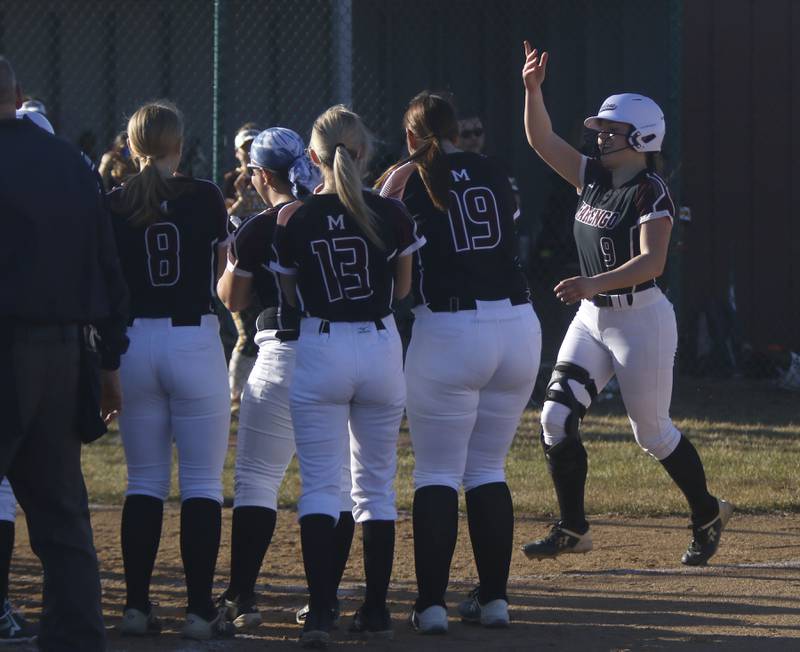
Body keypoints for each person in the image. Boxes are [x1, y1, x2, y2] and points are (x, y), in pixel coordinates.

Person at [519, 43, 732, 566]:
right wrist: (533, 91)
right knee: (553, 418)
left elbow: (652, 263)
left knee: (652, 433)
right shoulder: (592, 174)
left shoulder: (650, 190)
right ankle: (573, 528)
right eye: (600, 130)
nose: (599, 136)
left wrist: (592, 284)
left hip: (641, 320)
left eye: (610, 131)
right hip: (594, 317)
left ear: (642, 138)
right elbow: (541, 139)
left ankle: (707, 512)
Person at [378, 92, 542, 633]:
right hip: (518, 327)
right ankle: (494, 599)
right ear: (455, 130)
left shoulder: (405, 177)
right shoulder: (493, 168)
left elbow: (379, 230)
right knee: (487, 469)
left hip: (449, 329)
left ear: (410, 137)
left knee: (439, 473)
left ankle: (430, 607)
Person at [271, 105, 424, 648]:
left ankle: (319, 612)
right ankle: (378, 609)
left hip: (322, 344)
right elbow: (403, 292)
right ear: (364, 153)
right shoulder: (390, 212)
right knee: (376, 488)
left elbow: (289, 294)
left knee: (321, 486)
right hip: (381, 346)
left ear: (312, 158)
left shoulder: (294, 217)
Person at [0, 56, 129, 651]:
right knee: (62, 518)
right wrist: (108, 363)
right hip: (61, 352)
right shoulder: (70, 163)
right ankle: (77, 640)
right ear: (19, 94)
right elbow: (107, 268)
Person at [215, 127, 356, 631]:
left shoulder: (259, 225)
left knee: (257, 478)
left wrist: (233, 253)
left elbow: (232, 299)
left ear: (261, 174)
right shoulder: (338, 211)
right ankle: (326, 600)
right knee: (335, 483)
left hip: (280, 354)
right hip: (338, 352)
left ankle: (242, 596)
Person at [107, 101, 233, 640]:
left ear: (132, 147)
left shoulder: (113, 202)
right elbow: (226, 269)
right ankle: (200, 611)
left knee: (145, 483)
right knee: (201, 483)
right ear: (178, 145)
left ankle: (136, 607)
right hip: (192, 340)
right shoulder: (203, 195)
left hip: (135, 344)